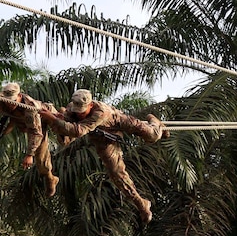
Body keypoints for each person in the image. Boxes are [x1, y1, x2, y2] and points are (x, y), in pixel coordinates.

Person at [40, 89, 166, 222]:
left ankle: (155, 122)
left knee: (152, 135)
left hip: (117, 123)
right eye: (77, 110)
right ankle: (141, 203)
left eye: (82, 111)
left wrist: (54, 119)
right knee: (116, 174)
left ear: (90, 105)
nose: (79, 114)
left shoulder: (101, 112)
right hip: (101, 137)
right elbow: (70, 128)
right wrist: (58, 118)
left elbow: (79, 131)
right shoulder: (72, 108)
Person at [0, 82, 59, 196]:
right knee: (3, 128)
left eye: (12, 101)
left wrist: (29, 155)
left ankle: (50, 178)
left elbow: (35, 133)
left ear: (18, 96)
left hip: (41, 120)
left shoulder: (29, 107)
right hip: (20, 120)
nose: (9, 104)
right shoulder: (3, 100)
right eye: (8, 101)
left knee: (41, 156)